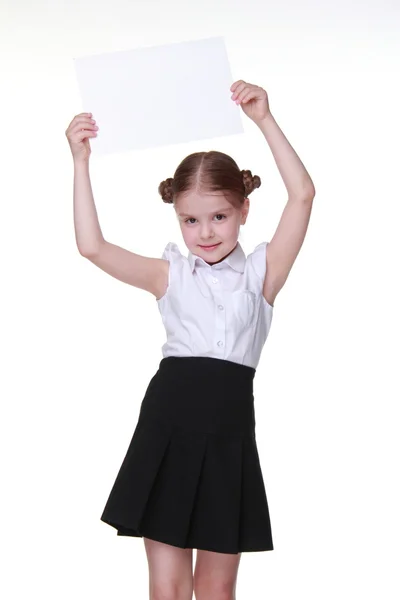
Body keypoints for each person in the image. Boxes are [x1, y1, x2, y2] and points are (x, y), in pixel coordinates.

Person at [66, 79, 315, 600]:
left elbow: (303, 194)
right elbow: (91, 247)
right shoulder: (170, 275)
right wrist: (81, 162)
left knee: (217, 590)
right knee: (169, 588)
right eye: (191, 220)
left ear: (244, 208)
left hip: (229, 435)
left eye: (219, 216)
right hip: (169, 425)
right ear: (176, 217)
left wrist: (264, 120)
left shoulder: (263, 275)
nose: (205, 232)